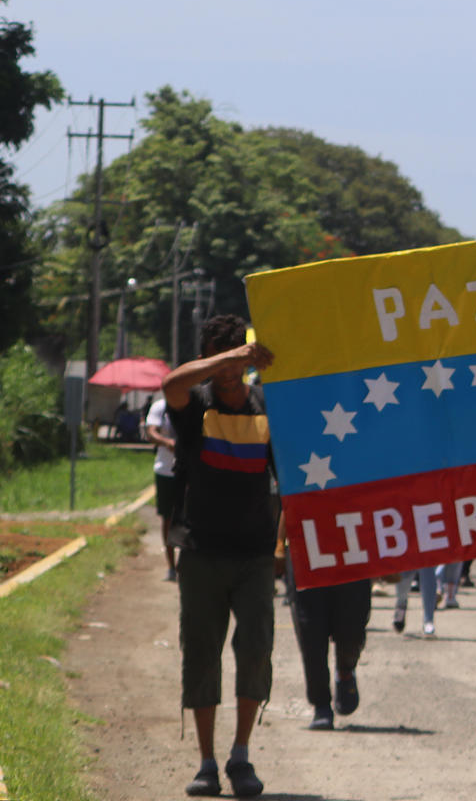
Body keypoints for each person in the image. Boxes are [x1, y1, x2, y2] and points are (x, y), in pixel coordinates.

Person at [162, 315, 277, 799]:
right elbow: (171, 382)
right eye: (219, 355)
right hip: (203, 552)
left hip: (255, 555)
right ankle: (207, 762)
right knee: (201, 656)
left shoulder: (268, 407)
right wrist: (231, 357)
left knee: (255, 651)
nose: (231, 369)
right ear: (209, 357)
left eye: (237, 355)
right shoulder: (194, 407)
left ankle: (240, 756)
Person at [287, 572, 370, 730]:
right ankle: (321, 704)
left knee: (353, 626)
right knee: (310, 633)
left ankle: (345, 671)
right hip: (306, 558)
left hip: (351, 557)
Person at [144, 393, 182, 582]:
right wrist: (166, 442)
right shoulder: (161, 407)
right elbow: (151, 432)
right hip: (166, 471)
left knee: (188, 518)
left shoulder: (191, 404)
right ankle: (171, 565)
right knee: (168, 519)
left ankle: (186, 562)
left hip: (188, 471)